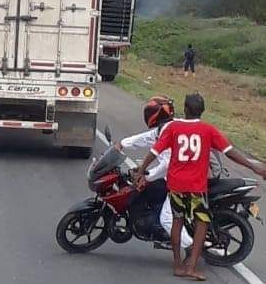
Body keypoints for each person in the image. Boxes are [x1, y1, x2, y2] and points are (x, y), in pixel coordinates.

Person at [136, 93, 266, 280]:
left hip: (176, 184)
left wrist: (141, 170)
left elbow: (155, 151)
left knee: (177, 222)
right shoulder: (208, 130)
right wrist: (254, 167)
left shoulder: (173, 127)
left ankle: (178, 265)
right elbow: (230, 153)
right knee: (202, 222)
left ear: (185, 109)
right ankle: (192, 267)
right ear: (202, 111)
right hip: (196, 186)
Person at [114, 96, 194, 250]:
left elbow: (167, 164)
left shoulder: (169, 130)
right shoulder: (165, 127)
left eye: (149, 112)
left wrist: (146, 176)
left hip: (179, 179)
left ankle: (189, 249)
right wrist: (122, 144)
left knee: (167, 218)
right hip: (179, 175)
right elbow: (146, 138)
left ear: (156, 114)